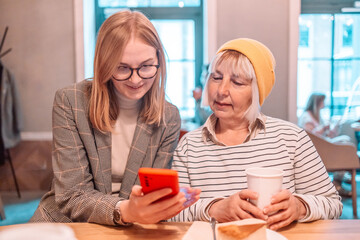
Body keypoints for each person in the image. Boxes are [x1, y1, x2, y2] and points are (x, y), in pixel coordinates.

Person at [30, 10, 200, 226]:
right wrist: (125, 210)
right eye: (122, 68)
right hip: (65, 222)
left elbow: (152, 192)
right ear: (104, 64)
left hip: (133, 226)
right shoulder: (70, 102)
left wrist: (165, 203)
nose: (136, 79)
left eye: (146, 66)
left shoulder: (169, 117)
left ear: (159, 62)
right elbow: (72, 195)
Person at [170, 38, 342, 230]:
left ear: (257, 92)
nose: (221, 90)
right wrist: (214, 208)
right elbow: (171, 212)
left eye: (237, 82)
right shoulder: (189, 146)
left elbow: (333, 204)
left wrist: (299, 207)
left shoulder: (292, 139)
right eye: (216, 78)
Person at [298, 93, 352, 197]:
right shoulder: (307, 117)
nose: (324, 104)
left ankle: (339, 179)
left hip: (324, 146)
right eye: (322, 101)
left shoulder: (318, 116)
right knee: (344, 143)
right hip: (317, 150)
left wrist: (332, 129)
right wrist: (323, 128)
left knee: (346, 141)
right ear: (317, 103)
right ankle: (339, 178)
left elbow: (326, 136)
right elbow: (309, 137)